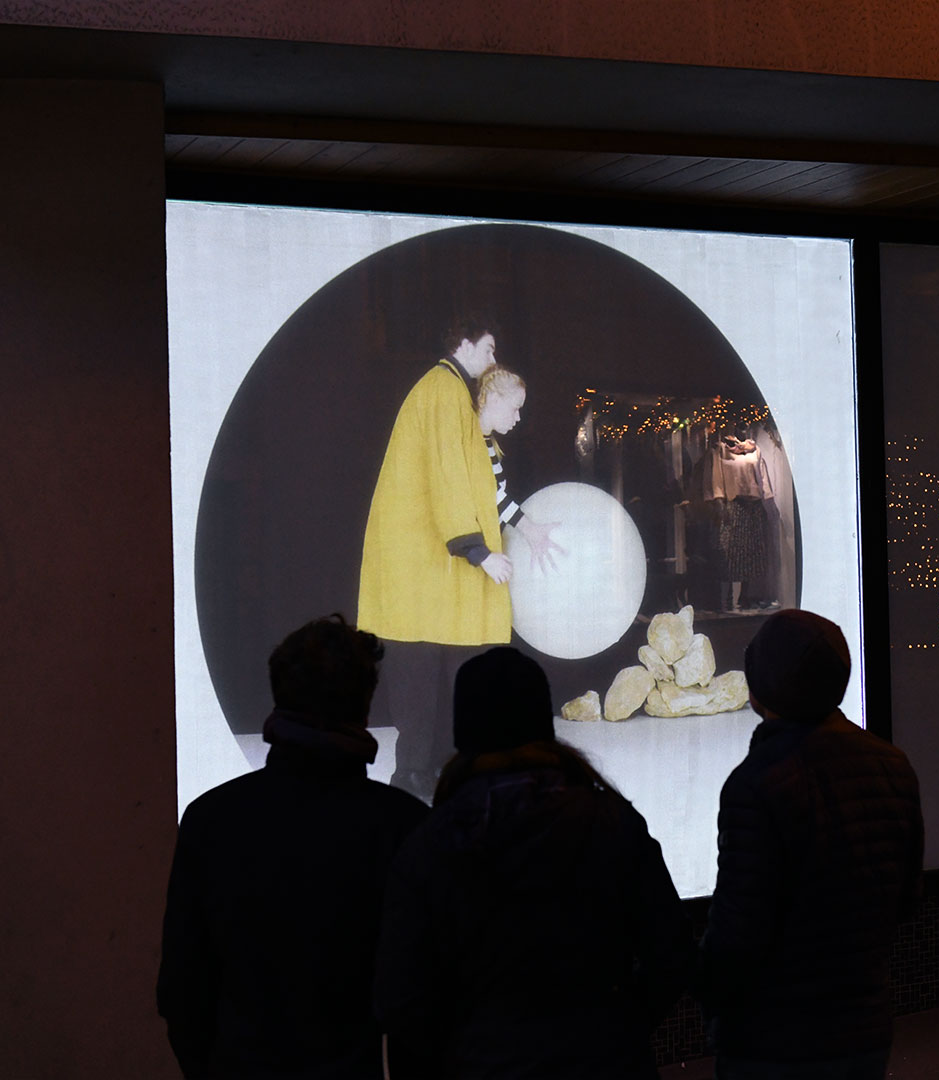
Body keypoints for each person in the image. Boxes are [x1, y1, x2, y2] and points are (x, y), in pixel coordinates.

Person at [374, 647, 692, 1079]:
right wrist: (619, 1029)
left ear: (463, 729)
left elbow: (403, 1002)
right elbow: (671, 953)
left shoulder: (430, 845)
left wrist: (466, 1055)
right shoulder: (612, 823)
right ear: (542, 722)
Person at [157, 615, 428, 1079]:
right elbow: (422, 1000)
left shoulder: (211, 820)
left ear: (278, 693)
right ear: (365, 706)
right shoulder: (402, 826)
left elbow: (182, 992)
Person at [699, 609, 923, 1080]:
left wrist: (708, 997)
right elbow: (904, 899)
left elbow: (738, 935)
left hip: (774, 1042)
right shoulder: (894, 765)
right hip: (863, 1028)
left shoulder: (756, 785)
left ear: (759, 688)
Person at [356, 322, 557, 802]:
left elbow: (486, 491)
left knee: (432, 680)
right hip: (424, 571)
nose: (493, 359)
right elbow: (449, 480)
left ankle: (427, 779)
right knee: (422, 682)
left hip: (426, 575)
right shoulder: (444, 391)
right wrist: (477, 550)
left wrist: (524, 530)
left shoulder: (447, 395)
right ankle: (413, 782)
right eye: (489, 348)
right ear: (463, 344)